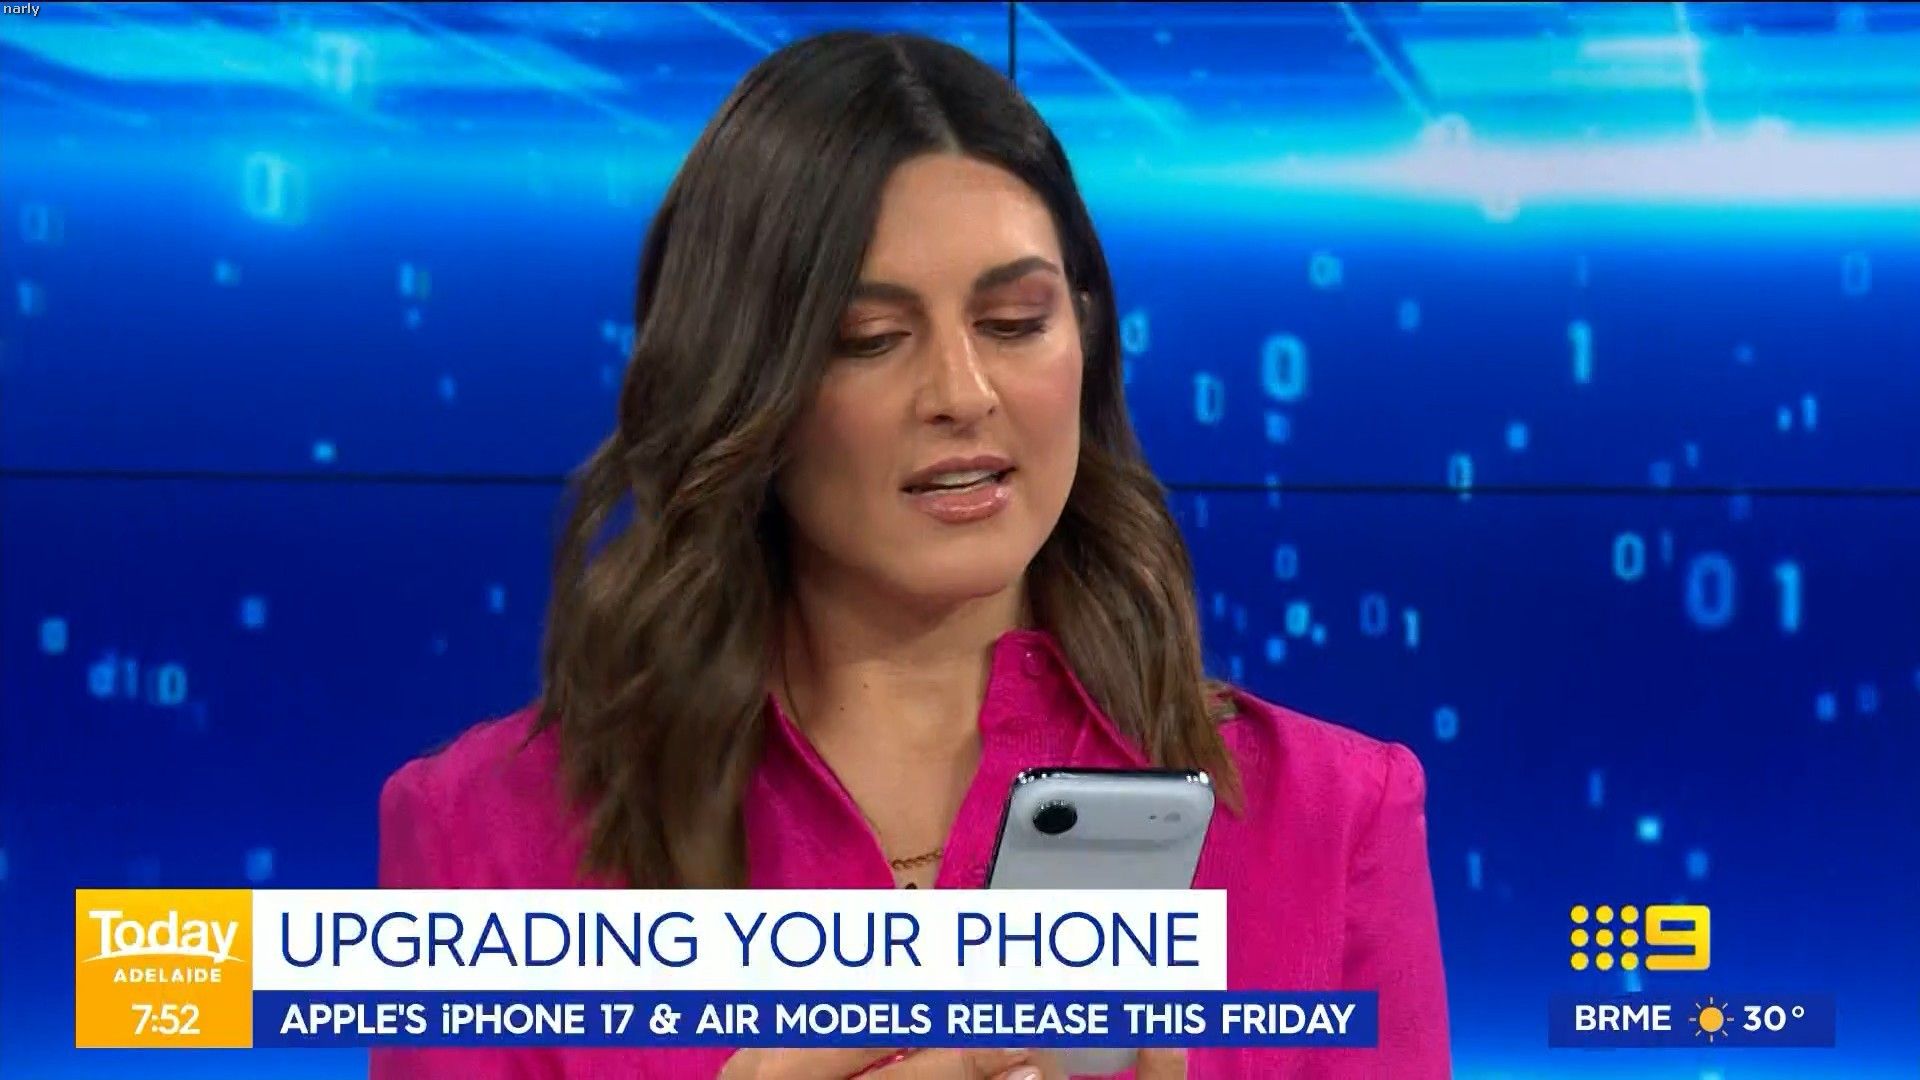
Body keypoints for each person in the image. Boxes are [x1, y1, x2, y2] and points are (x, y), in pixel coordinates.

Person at [375, 29, 1448, 1080]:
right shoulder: (482, 841)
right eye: (870, 340)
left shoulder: (1333, 819)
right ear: (743, 382)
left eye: (1014, 322)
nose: (962, 395)